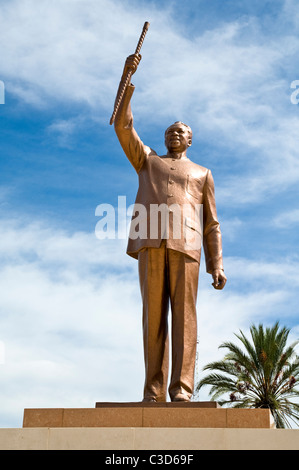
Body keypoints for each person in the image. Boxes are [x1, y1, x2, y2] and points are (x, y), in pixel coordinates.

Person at [113, 54, 227, 402]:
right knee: (153, 319)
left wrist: (216, 263)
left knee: (184, 319)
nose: (173, 134)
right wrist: (126, 78)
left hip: (187, 248)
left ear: (190, 140)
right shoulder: (147, 160)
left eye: (180, 131)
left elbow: (212, 223)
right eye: (169, 131)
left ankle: (182, 390)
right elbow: (122, 125)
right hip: (150, 242)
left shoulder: (202, 173)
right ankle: (153, 390)